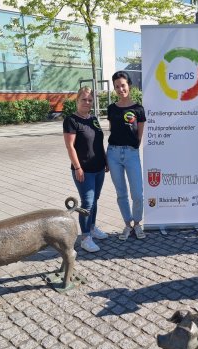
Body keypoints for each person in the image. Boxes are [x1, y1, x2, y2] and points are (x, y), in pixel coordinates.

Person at [63, 86, 109, 252]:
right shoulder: (71, 120)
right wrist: (77, 167)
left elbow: (98, 142)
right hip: (84, 170)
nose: (87, 102)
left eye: (90, 100)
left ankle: (92, 227)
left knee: (95, 200)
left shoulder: (94, 119)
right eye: (84, 99)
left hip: (99, 168)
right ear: (77, 100)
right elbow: (70, 146)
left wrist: (105, 161)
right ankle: (85, 237)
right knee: (87, 203)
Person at [105, 71, 148, 240]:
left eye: (123, 85)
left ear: (129, 85)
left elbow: (139, 133)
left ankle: (137, 223)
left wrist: (133, 147)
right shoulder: (111, 108)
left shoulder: (138, 109)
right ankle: (127, 224)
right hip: (113, 154)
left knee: (137, 193)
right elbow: (112, 130)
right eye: (117, 86)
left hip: (131, 154)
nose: (120, 89)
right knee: (121, 193)